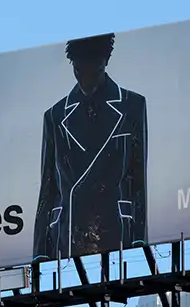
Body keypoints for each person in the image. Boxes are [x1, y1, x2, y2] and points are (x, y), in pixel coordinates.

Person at [33, 32, 147, 261]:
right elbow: (47, 188)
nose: (86, 82)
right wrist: (40, 251)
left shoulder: (132, 106)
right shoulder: (55, 116)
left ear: (105, 62)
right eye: (78, 72)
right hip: (69, 232)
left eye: (94, 72)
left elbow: (138, 179)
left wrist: (140, 239)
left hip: (115, 227)